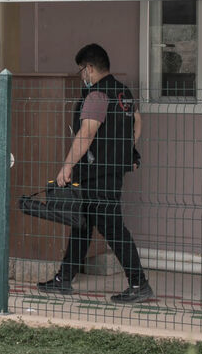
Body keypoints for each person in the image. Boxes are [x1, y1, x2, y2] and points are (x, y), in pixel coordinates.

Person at [39, 43, 151, 303]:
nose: (81, 76)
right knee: (82, 225)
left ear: (89, 68)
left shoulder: (97, 95)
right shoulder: (122, 92)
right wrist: (127, 151)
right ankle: (63, 279)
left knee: (113, 229)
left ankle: (139, 283)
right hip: (110, 172)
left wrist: (67, 166)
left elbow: (86, 133)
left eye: (81, 70)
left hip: (96, 173)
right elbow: (137, 121)